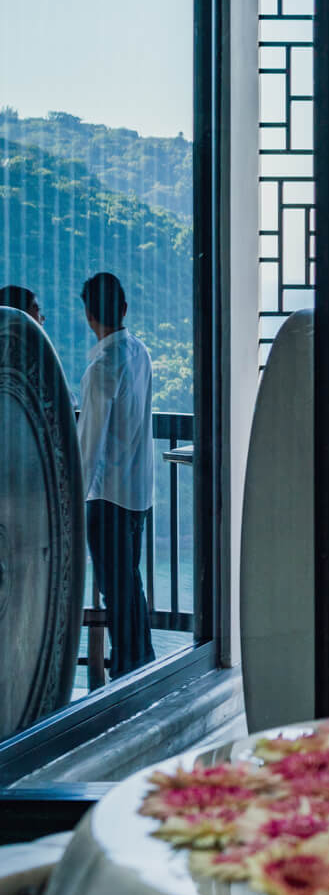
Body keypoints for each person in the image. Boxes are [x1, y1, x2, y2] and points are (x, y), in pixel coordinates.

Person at [77, 271, 155, 678]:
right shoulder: (139, 353)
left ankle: (127, 667)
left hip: (105, 495)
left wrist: (69, 498)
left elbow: (88, 444)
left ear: (88, 315)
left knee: (116, 589)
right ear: (124, 308)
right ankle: (141, 662)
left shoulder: (102, 367)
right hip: (138, 493)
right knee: (130, 586)